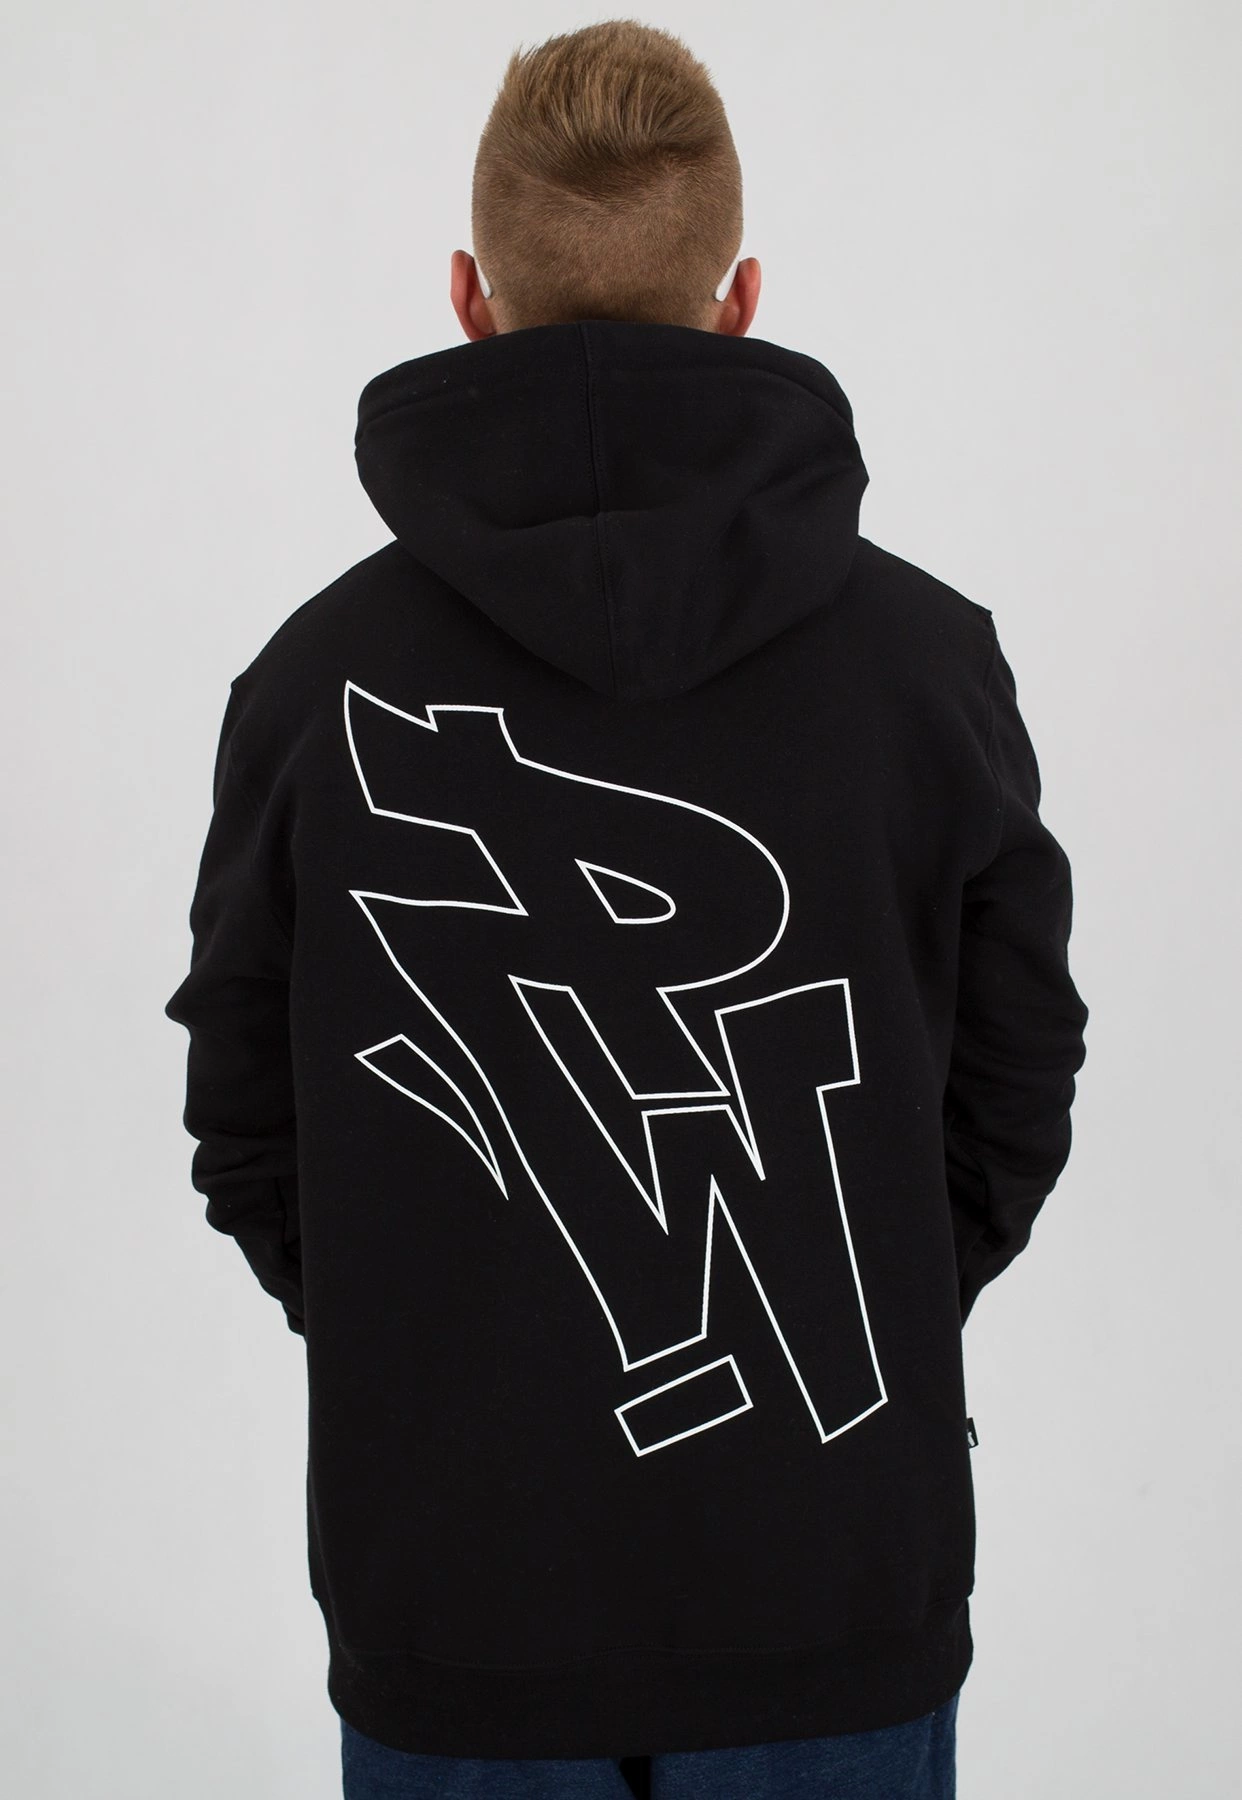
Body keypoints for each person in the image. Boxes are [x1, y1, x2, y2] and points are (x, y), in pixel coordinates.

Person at [164, 18, 1089, 1799]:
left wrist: (433, 1326)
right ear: (740, 299)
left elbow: (243, 1114)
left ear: (468, 295)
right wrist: (859, 1291)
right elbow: (1017, 1073)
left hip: (456, 1593)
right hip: (831, 1569)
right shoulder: (924, 662)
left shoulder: (314, 684)